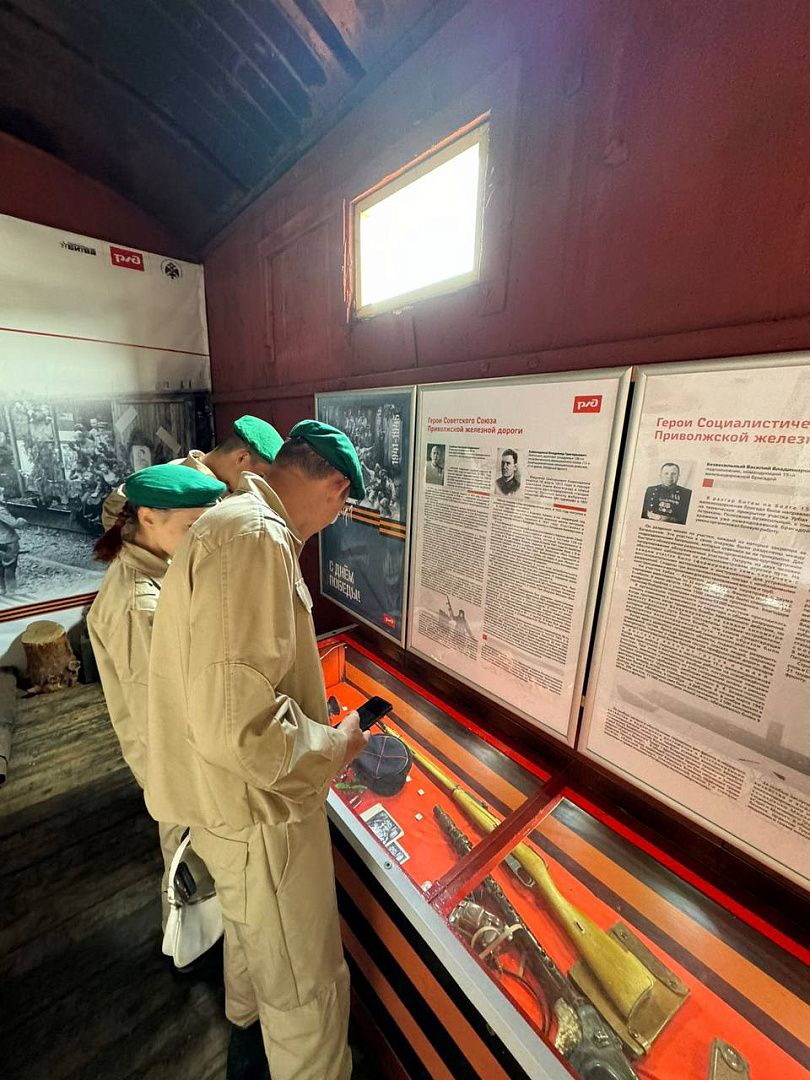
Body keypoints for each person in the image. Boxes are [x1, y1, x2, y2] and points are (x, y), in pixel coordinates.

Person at [145, 420, 371, 1080]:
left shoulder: (230, 522)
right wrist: (335, 746)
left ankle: (246, 1046)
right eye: (341, 506)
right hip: (262, 819)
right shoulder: (255, 538)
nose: (333, 520)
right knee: (305, 994)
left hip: (227, 807)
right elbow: (239, 725)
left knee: (252, 955)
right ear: (335, 488)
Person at [87, 464, 226, 934]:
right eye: (191, 527)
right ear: (147, 517)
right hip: (173, 764)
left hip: (176, 759)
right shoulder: (138, 604)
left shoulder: (156, 563)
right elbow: (161, 711)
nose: (198, 540)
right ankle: (184, 947)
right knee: (186, 863)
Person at [101, 415, 283, 530]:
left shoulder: (230, 491)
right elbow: (112, 510)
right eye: (260, 475)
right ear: (242, 457)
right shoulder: (175, 476)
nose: (259, 484)